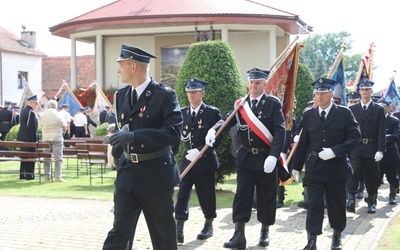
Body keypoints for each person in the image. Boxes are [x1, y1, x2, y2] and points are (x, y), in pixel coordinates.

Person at [102, 44, 183, 250]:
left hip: (156, 174)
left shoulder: (164, 95)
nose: (118, 70)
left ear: (133, 66)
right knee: (118, 233)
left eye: (121, 65)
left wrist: (134, 136)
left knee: (163, 236)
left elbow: (173, 134)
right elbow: (124, 128)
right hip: (128, 175)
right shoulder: (120, 96)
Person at [205, 67, 286, 248]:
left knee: (266, 196)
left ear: (265, 84)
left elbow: (280, 132)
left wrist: (273, 156)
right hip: (246, 157)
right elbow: (227, 120)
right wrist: (214, 130)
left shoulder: (273, 104)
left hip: (265, 157)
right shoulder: (241, 104)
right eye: (251, 82)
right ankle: (239, 234)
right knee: (242, 196)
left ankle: (264, 231)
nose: (253, 86)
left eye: (257, 82)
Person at [291, 77, 360, 250]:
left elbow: (354, 138)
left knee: (336, 204)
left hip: (337, 167)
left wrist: (335, 151)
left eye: (322, 93)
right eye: (317, 93)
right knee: (314, 204)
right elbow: (303, 142)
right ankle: (312, 240)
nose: (319, 97)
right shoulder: (309, 114)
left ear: (331, 94)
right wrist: (296, 166)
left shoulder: (344, 113)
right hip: (315, 167)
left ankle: (336, 236)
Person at [173, 78, 222, 244]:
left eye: (194, 92)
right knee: (182, 193)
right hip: (188, 160)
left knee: (206, 195)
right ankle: (178, 227)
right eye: (188, 92)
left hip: (205, 161)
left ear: (202, 93)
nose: (191, 95)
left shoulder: (211, 112)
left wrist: (201, 150)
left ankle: (208, 224)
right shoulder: (183, 112)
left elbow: (218, 136)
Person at [346, 78, 386, 214]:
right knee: (353, 171)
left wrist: (381, 149)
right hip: (355, 147)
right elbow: (348, 130)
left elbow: (381, 130)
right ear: (359, 91)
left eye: (367, 89)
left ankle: (372, 200)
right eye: (362, 89)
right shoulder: (352, 109)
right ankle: (351, 199)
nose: (364, 92)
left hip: (371, 147)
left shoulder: (378, 109)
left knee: (371, 175)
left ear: (371, 91)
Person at [376, 98, 399, 205]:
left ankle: (392, 195)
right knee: (375, 178)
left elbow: (396, 135)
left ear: (388, 108)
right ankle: (372, 198)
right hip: (376, 154)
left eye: (384, 106)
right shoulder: (373, 120)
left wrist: (381, 138)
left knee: (392, 177)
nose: (382, 108)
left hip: (390, 153)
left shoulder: (394, 120)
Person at [40, 100, 68, 182]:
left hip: (45, 138)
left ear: (48, 106)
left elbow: (41, 125)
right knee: (58, 158)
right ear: (56, 107)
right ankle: (58, 177)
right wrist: (62, 133)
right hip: (57, 138)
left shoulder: (43, 115)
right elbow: (65, 126)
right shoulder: (59, 114)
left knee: (46, 158)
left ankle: (46, 176)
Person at [17, 95, 40, 180]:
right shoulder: (31, 112)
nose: (37, 105)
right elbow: (32, 128)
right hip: (29, 139)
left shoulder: (23, 110)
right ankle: (30, 175)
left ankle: (22, 174)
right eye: (36, 103)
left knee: (24, 156)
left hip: (23, 137)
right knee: (30, 157)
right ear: (31, 102)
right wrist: (34, 140)